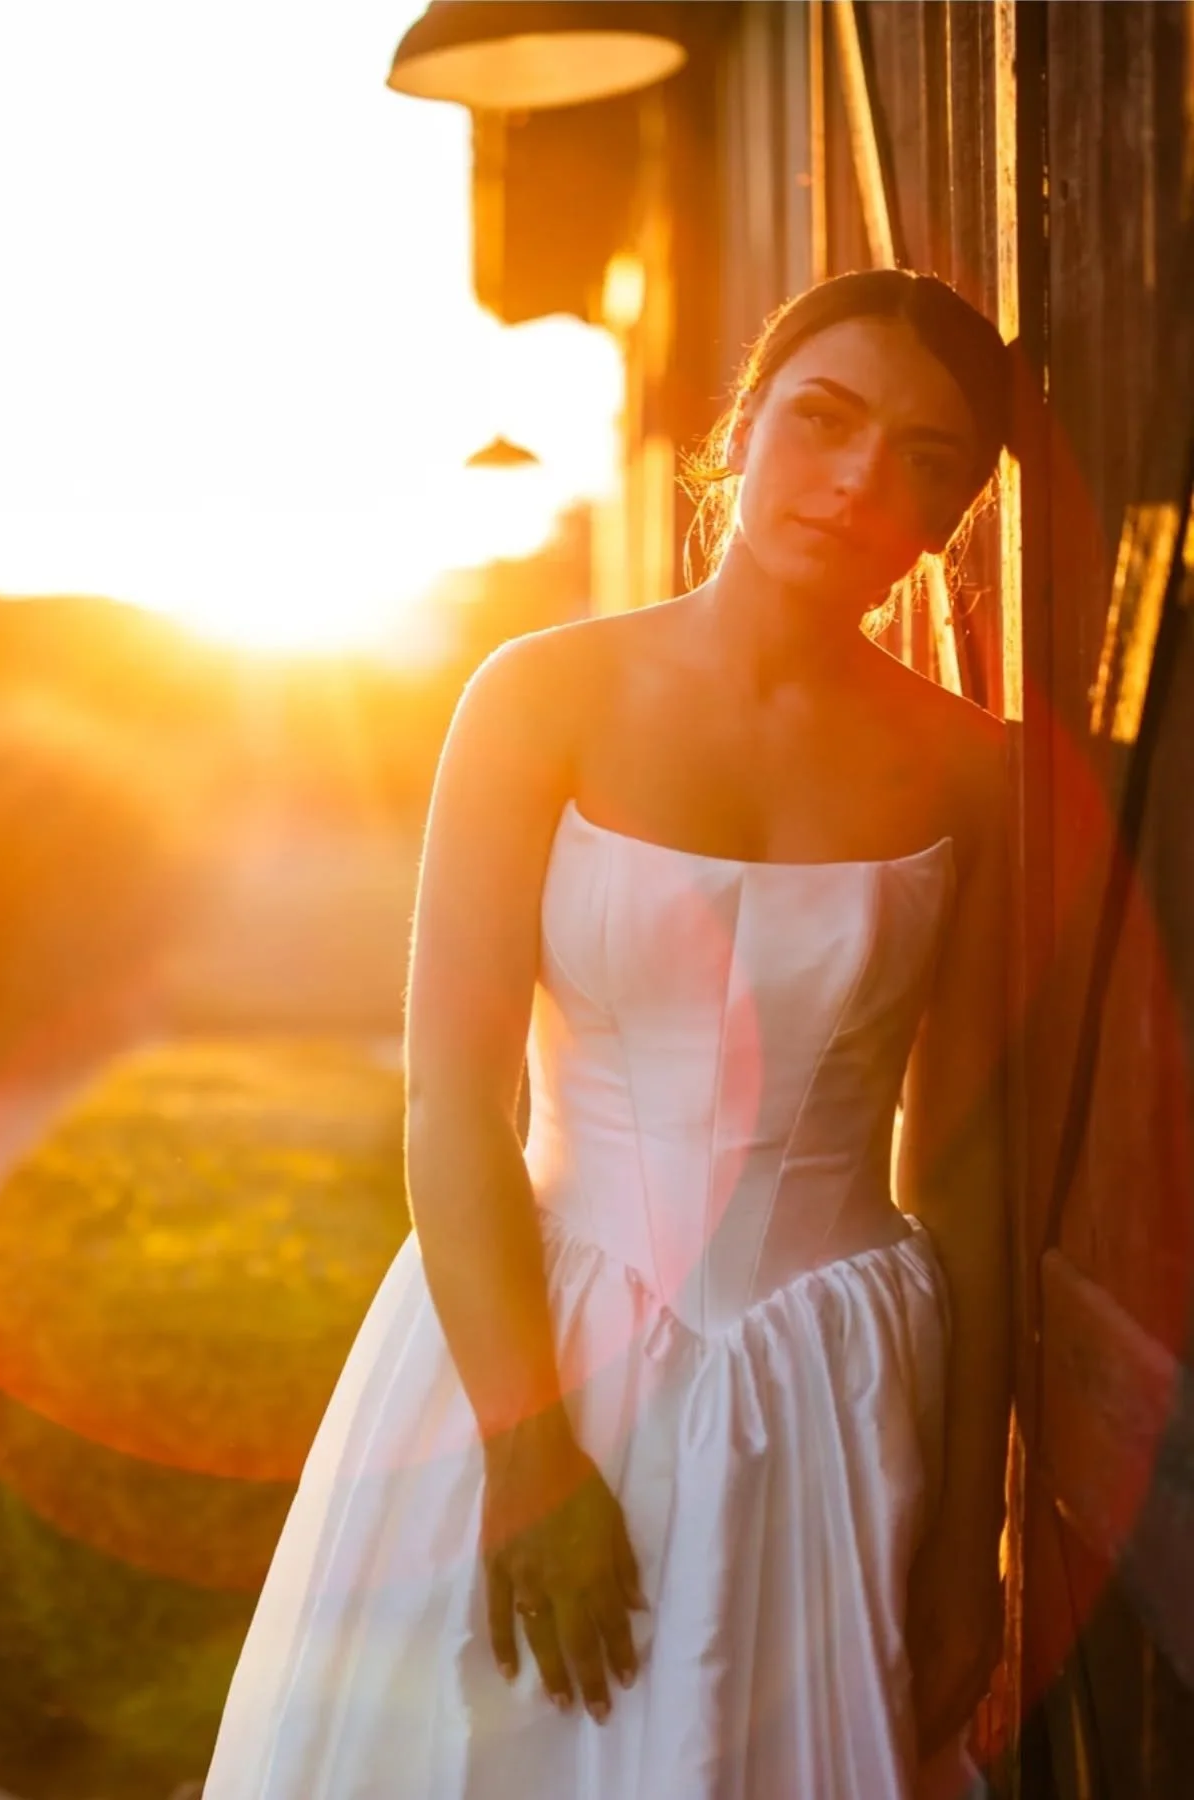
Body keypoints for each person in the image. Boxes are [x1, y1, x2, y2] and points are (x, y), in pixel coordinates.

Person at [203, 268, 1013, 1799]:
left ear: (952, 516)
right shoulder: (538, 698)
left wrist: (968, 1541)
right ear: (742, 429)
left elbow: (968, 1168)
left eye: (928, 460)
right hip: (541, 1339)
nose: (856, 481)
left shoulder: (977, 775)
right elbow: (452, 1101)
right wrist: (524, 1454)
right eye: (822, 420)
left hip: (830, 1387)